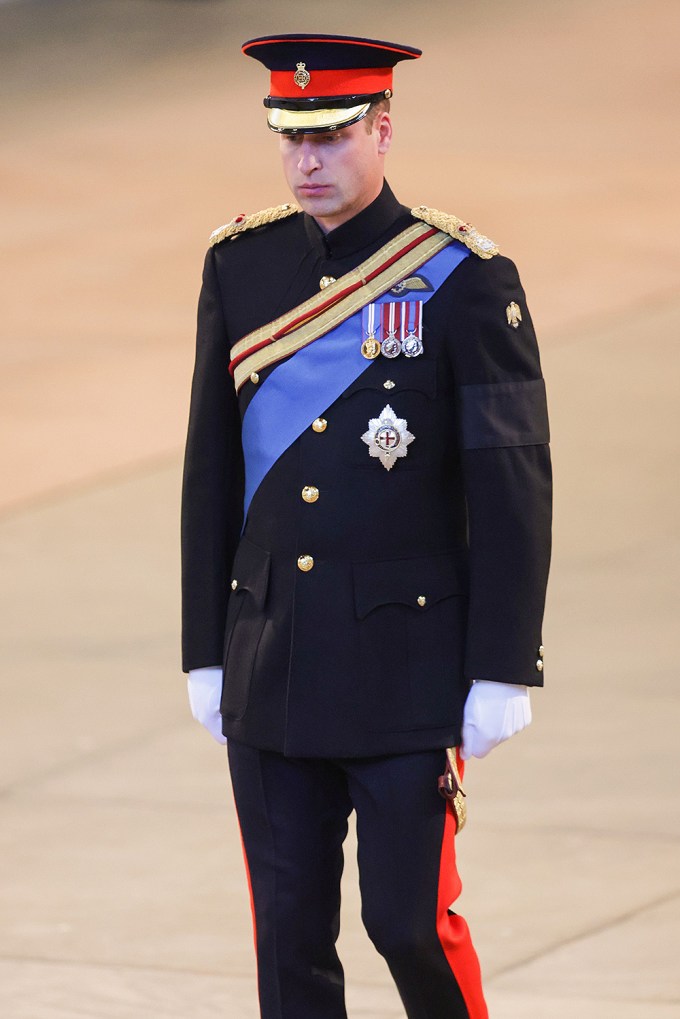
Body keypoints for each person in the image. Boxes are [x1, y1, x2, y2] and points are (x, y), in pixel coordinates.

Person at [181, 33, 551, 1019]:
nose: (307, 160)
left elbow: (509, 478)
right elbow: (209, 468)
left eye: (332, 136)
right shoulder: (241, 266)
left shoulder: (464, 279)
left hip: (404, 666)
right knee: (289, 934)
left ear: (382, 129)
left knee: (408, 922)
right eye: (290, 139)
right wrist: (202, 647)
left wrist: (504, 660)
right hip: (272, 656)